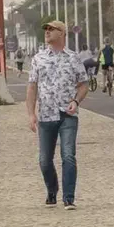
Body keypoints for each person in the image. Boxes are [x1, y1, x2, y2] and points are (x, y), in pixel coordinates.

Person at [26, 21, 89, 210]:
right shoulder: (38, 59)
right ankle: (52, 191)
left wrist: (76, 101)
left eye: (51, 29)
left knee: (68, 155)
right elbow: (32, 87)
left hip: (67, 115)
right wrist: (31, 114)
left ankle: (69, 197)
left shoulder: (73, 58)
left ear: (62, 33)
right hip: (45, 116)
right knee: (44, 161)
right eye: (45, 29)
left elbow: (84, 84)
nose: (47, 32)